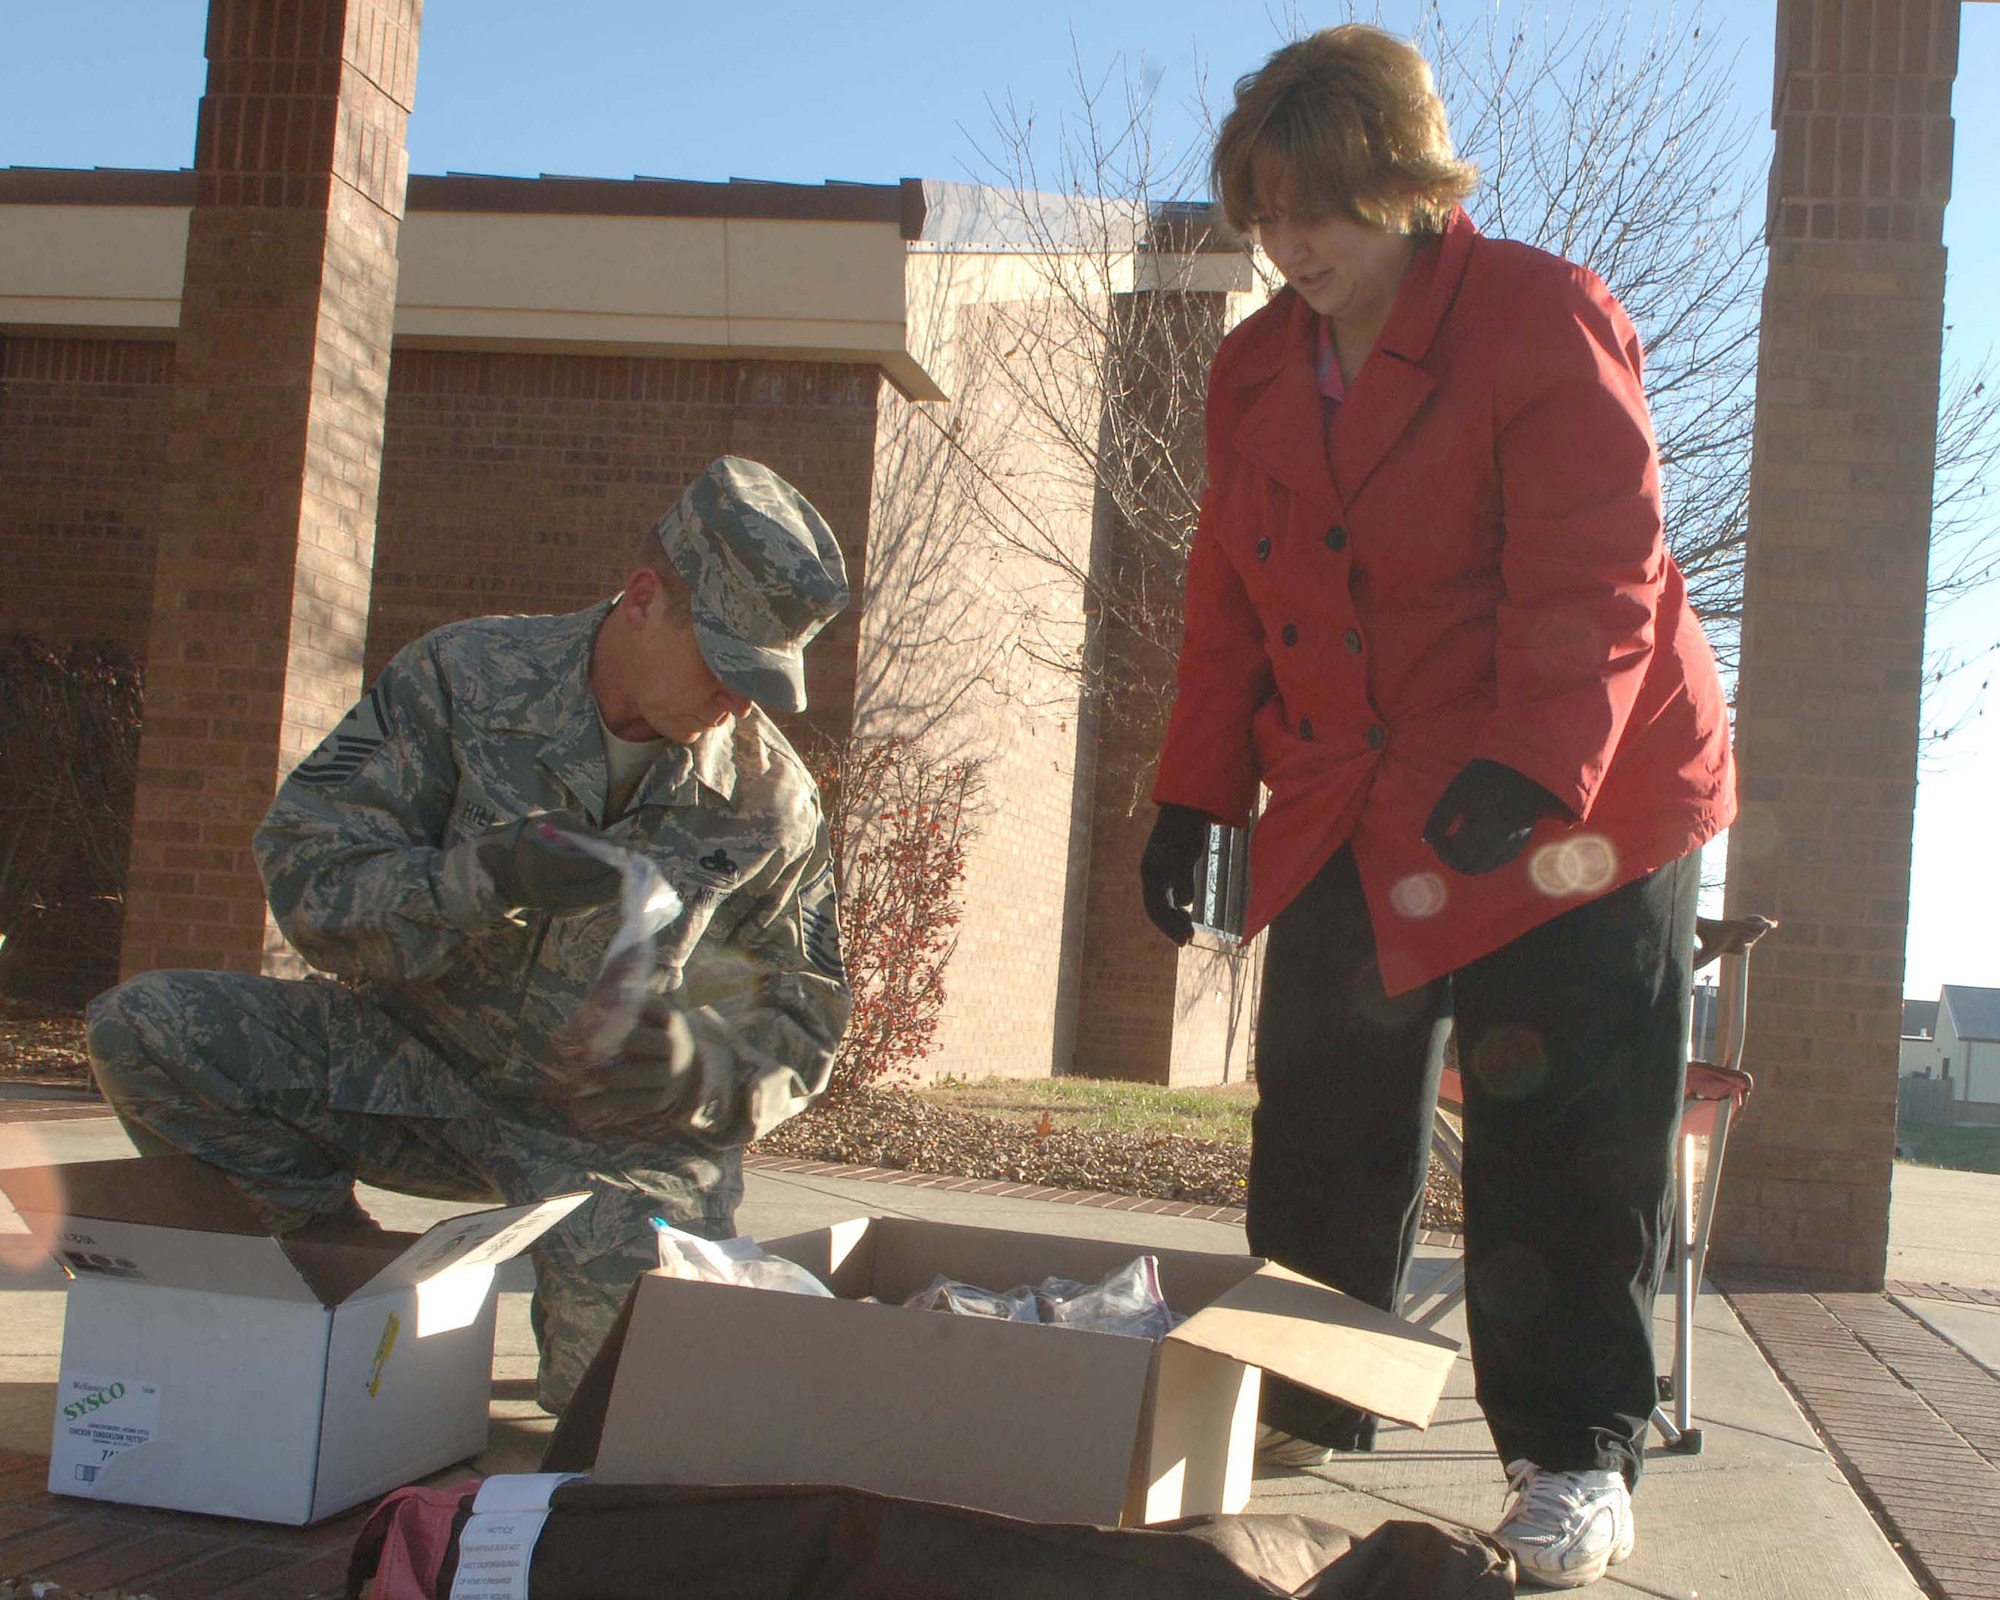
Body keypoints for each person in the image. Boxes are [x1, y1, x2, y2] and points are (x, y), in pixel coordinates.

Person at [1139, 27, 1734, 1590]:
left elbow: (1598, 567)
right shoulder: (1256, 363)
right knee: (1324, 1109)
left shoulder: (1543, 317)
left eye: (1319, 209)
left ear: (1407, 185)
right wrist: (1198, 789)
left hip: (1586, 790)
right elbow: (1227, 597)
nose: (1289, 245)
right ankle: (1307, 1407)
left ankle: (1576, 1454)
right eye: (1265, 211)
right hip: (1360, 777)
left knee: (1557, 1131)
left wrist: (1538, 765)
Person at [87, 455, 854, 1412]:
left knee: (631, 1408)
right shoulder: (467, 679)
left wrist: (705, 1070)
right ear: (645, 598)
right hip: (413, 1066)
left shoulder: (770, 802)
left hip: (610, 1137)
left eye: (763, 680)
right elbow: (306, 871)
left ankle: (585, 1348)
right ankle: (344, 1274)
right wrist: (483, 878)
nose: (738, 703)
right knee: (150, 1029)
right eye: (725, 664)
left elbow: (806, 1012)